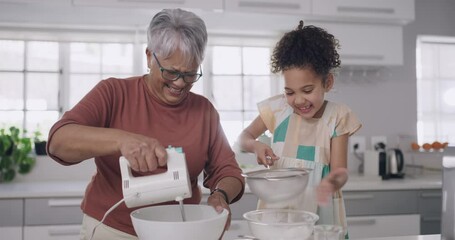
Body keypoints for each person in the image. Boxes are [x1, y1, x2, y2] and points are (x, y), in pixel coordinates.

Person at [47, 8, 245, 240]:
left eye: (190, 74)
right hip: (113, 229)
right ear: (150, 56)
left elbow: (228, 171)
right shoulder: (113, 93)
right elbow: (58, 142)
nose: (180, 83)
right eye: (171, 72)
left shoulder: (204, 111)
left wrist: (221, 194)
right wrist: (121, 140)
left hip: (182, 231)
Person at [238, 20, 361, 238]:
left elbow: (340, 171)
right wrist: (255, 145)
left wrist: (330, 183)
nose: (298, 100)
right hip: (278, 211)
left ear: (328, 83)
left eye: (307, 90)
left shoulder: (337, 117)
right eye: (290, 92)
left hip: (319, 210)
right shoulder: (276, 110)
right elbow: (244, 137)